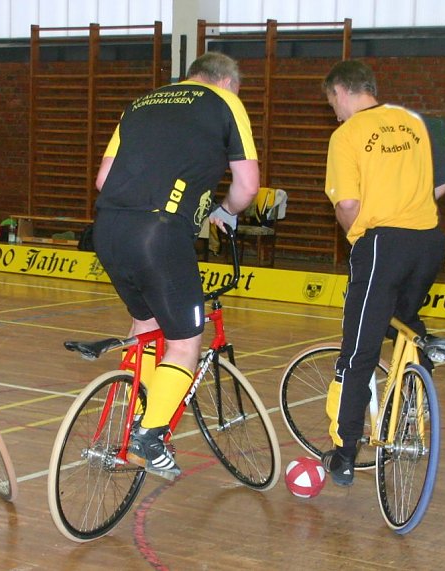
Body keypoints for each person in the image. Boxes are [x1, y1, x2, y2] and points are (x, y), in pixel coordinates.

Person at [93, 52, 260, 479]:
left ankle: (136, 417)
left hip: (108, 228)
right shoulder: (225, 101)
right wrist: (225, 211)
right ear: (227, 82)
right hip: (159, 232)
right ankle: (148, 436)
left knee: (145, 327)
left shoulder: (140, 103)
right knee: (184, 344)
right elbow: (247, 186)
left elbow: (103, 179)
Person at [320, 60, 445, 486]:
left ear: (341, 91)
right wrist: (407, 202)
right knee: (404, 321)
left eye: (332, 104)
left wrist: (358, 238)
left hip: (381, 244)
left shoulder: (347, 134)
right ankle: (418, 382)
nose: (334, 114)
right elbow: (444, 184)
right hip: (429, 241)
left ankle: (344, 453)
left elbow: (347, 205)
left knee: (359, 349)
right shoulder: (414, 120)